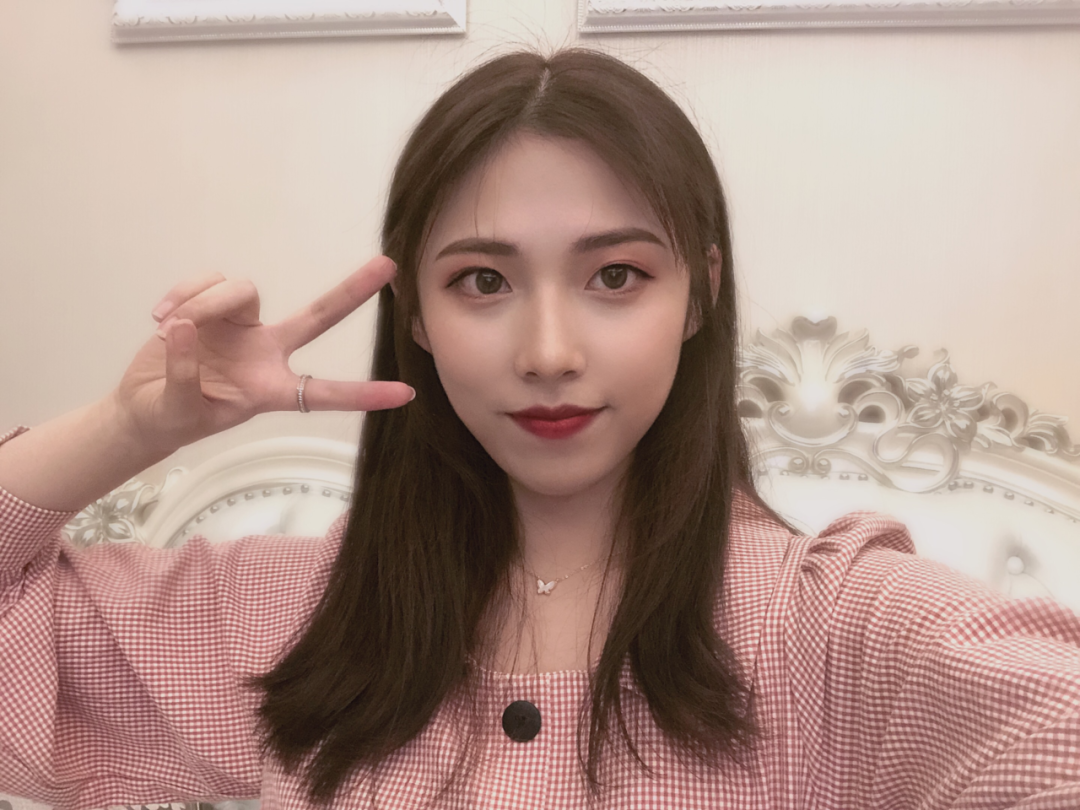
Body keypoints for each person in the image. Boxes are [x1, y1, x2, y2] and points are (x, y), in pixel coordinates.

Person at [1, 46, 1078, 810]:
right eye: (483, 281)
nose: (550, 351)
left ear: (699, 294)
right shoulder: (305, 615)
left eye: (616, 276)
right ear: (415, 317)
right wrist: (131, 427)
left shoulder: (836, 631)